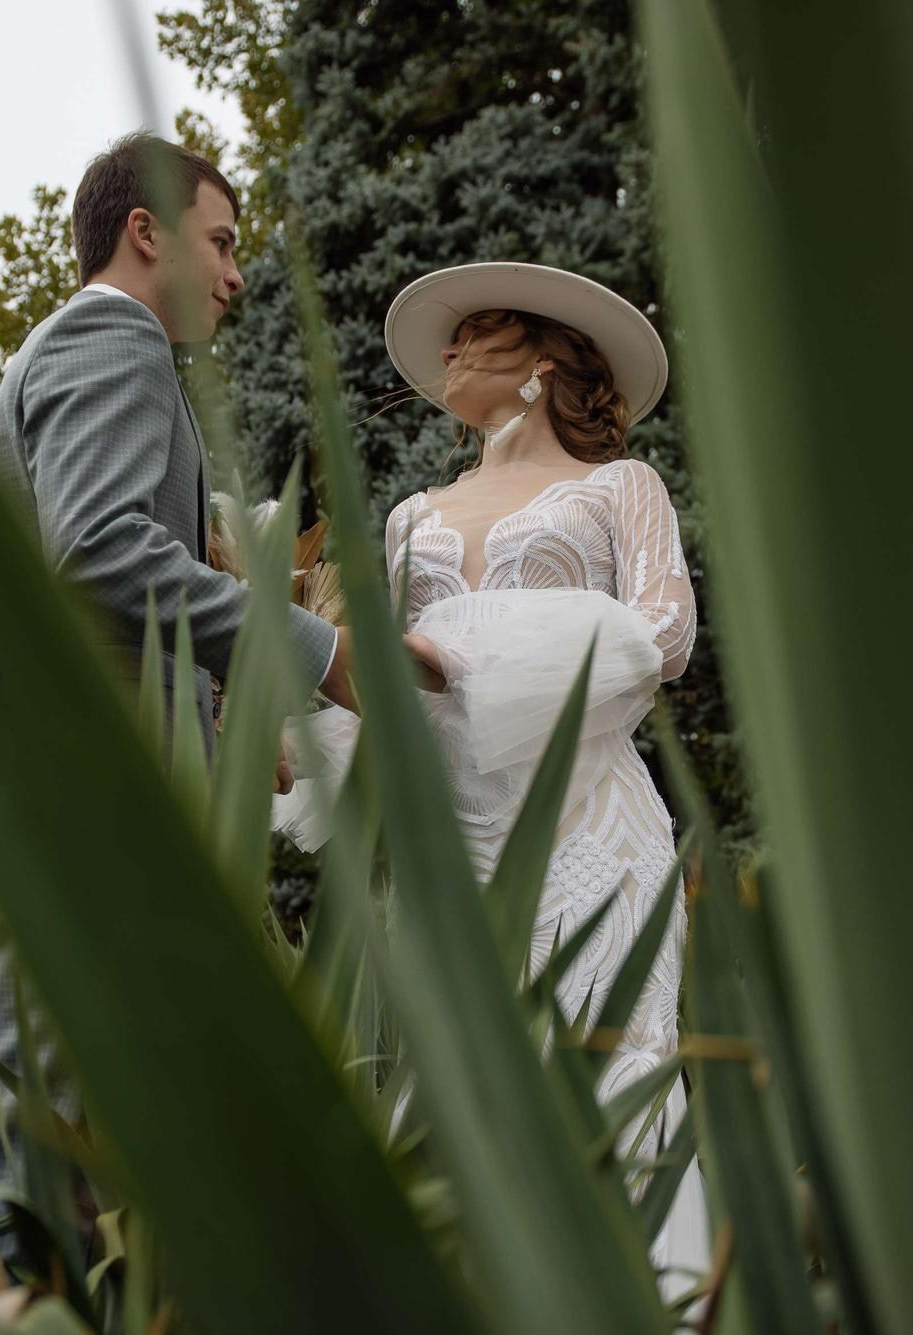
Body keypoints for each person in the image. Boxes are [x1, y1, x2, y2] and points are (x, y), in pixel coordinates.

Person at [0, 131, 429, 1264]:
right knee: (31, 1134)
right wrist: (319, 654)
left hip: (88, 764)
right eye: (223, 241)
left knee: (75, 1100)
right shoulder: (111, 338)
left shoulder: (76, 352)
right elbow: (97, 550)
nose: (238, 273)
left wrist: (232, 729)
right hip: (95, 778)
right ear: (145, 232)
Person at [274, 261, 712, 1295]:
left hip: (591, 831)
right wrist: (303, 740)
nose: (452, 351)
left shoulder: (619, 488)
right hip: (448, 837)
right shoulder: (410, 517)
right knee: (453, 1081)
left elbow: (662, 633)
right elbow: (385, 687)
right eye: (453, 336)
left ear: (547, 362)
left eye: (480, 332)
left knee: (616, 1063)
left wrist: (465, 660)